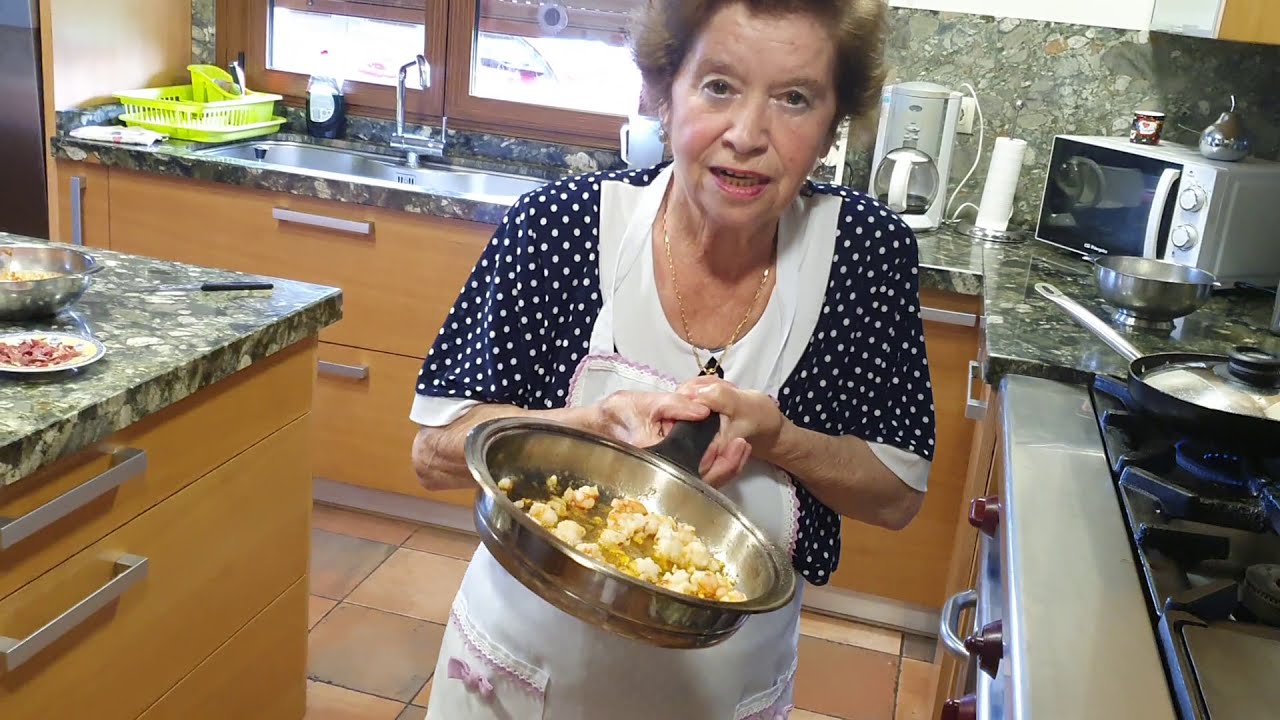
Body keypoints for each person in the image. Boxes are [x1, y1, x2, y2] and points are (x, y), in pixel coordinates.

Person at [409, 0, 934, 717]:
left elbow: (898, 494)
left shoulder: (863, 258)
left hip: (721, 696)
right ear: (662, 91)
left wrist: (781, 441)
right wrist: (584, 427)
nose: (748, 136)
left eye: (795, 98)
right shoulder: (557, 229)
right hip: (514, 683)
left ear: (833, 125)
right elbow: (433, 454)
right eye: (718, 85)